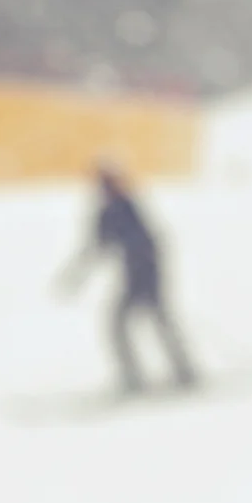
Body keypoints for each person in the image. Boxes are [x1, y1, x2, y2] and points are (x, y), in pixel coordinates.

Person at [62, 163, 196, 395]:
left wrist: (146, 268)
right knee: (138, 324)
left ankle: (177, 372)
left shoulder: (127, 207)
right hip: (134, 275)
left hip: (146, 274)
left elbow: (148, 241)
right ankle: (148, 375)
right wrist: (76, 275)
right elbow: (97, 246)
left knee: (145, 322)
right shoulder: (109, 211)